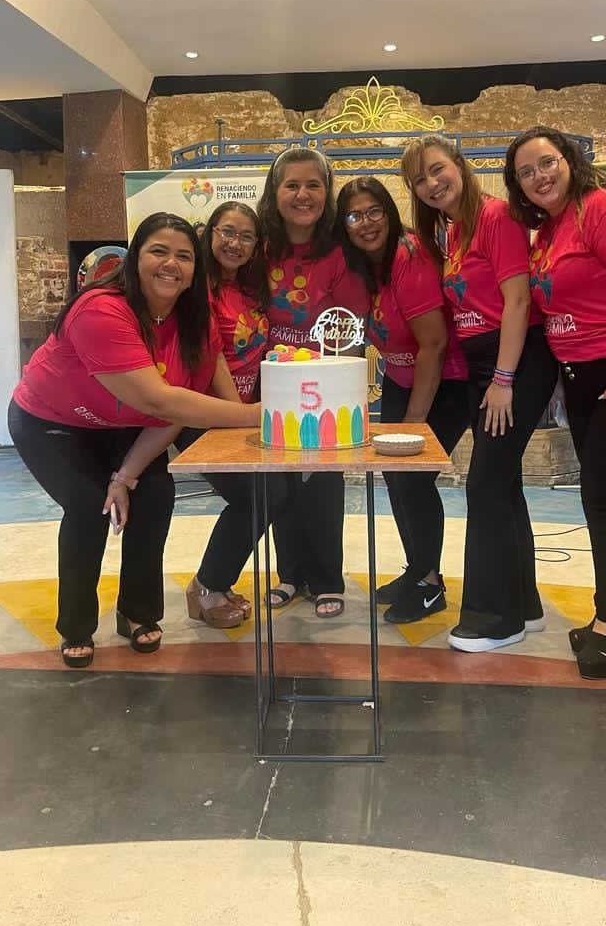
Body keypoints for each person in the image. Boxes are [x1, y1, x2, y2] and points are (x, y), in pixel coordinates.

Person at [8, 212, 259, 668]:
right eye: (158, 251)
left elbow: (174, 411)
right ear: (134, 258)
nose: (171, 264)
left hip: (125, 427)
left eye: (184, 256)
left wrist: (126, 474)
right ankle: (77, 625)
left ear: (193, 272)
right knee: (88, 506)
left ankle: (138, 613)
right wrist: (252, 416)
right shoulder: (102, 309)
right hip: (53, 422)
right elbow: (159, 399)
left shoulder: (193, 322)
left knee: (155, 494)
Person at [401, 137, 558, 652]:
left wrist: (505, 379)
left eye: (437, 170)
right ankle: (523, 604)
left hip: (514, 360)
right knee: (502, 483)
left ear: (460, 167)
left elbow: (517, 303)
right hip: (482, 363)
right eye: (420, 180)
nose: (431, 184)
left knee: (485, 485)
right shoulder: (456, 231)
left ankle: (495, 618)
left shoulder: (496, 216)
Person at [505, 126, 606, 679]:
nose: (540, 176)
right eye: (526, 172)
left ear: (570, 160)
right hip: (583, 382)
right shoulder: (549, 232)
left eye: (547, 162)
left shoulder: (602, 208)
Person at [335, 176, 469, 624]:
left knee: (413, 480)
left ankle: (431, 586)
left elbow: (432, 344)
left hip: (444, 382)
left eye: (375, 211)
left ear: (390, 213)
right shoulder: (363, 266)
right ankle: (417, 569)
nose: (366, 223)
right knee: (396, 480)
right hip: (399, 377)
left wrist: (415, 422)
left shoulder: (407, 257)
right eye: (355, 215)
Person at [258, 147, 370, 617]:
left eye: (313, 185)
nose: (303, 195)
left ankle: (327, 578)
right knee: (281, 483)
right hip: (275, 383)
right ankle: (289, 574)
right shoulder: (259, 247)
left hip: (327, 384)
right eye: (292, 185)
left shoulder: (342, 253)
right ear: (275, 191)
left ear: (327, 193)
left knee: (324, 483)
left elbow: (353, 325)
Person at [179, 201, 273, 629]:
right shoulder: (198, 288)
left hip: (244, 411)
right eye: (227, 232)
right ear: (209, 232)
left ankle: (213, 581)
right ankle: (206, 587)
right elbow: (212, 356)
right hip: (207, 412)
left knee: (265, 498)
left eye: (246, 236)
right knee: (256, 498)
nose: (235, 243)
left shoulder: (250, 290)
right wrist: (238, 416)